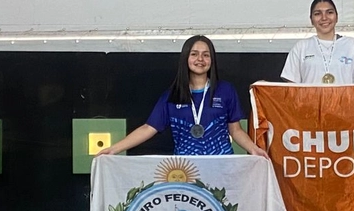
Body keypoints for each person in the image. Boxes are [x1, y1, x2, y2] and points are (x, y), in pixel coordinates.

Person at [281, 0, 354, 211]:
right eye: (318, 13)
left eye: (329, 12)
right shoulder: (302, 47)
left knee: (339, 179)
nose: (324, 17)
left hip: (342, 126)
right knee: (310, 179)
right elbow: (289, 91)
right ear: (311, 19)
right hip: (309, 126)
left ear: (337, 16)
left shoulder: (352, 46)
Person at [98, 35, 266, 158]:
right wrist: (113, 149)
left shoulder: (225, 90)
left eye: (206, 55)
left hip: (222, 166)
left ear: (212, 60)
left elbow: (235, 130)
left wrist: (253, 149)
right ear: (185, 58)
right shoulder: (172, 95)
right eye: (194, 54)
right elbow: (148, 128)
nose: (200, 59)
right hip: (185, 169)